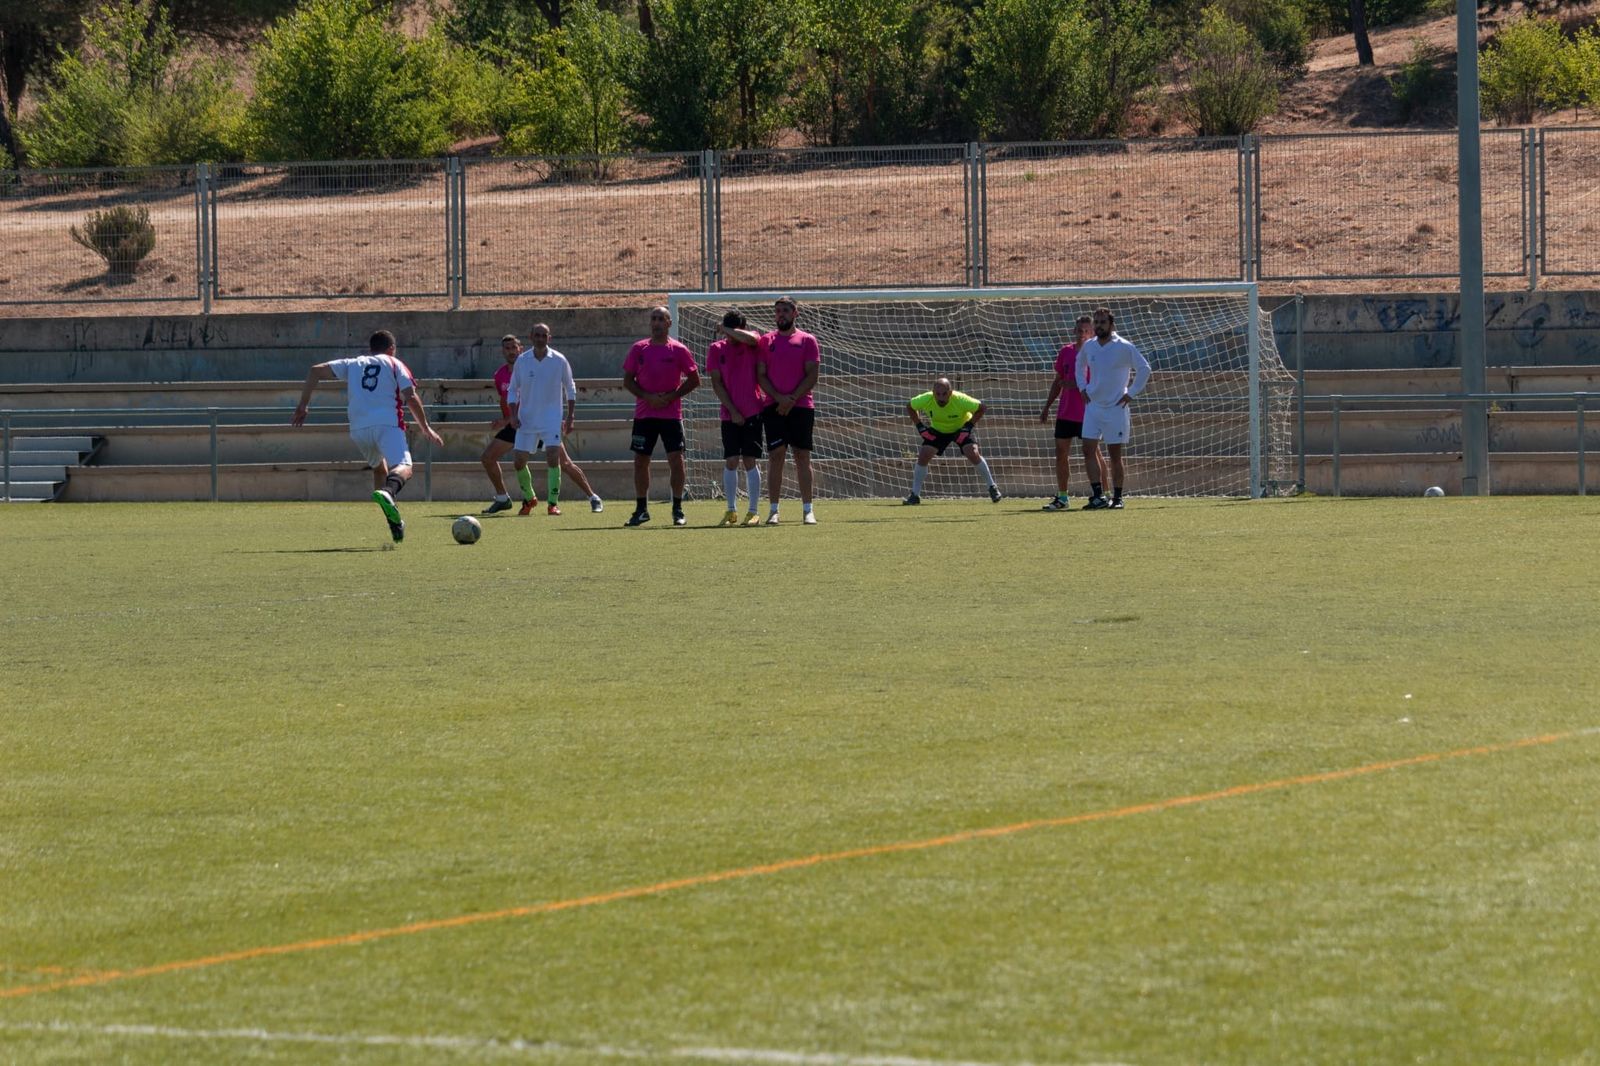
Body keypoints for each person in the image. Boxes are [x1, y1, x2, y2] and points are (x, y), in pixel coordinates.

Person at [291, 329, 443, 543]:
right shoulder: (394, 363)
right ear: (392, 349)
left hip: (359, 429)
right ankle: (389, 492)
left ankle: (394, 522)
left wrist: (303, 406)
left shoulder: (354, 363)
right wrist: (426, 427)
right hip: (387, 423)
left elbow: (315, 371)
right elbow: (410, 396)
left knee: (379, 469)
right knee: (404, 466)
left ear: (371, 348)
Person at [507, 322, 604, 516]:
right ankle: (529, 498)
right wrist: (512, 415)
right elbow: (512, 390)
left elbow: (570, 387)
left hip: (551, 419)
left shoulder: (559, 360)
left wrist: (570, 416)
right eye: (537, 335)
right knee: (518, 461)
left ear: (549, 338)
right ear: (531, 337)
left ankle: (553, 503)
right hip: (526, 419)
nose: (541, 338)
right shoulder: (522, 361)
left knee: (554, 457)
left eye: (544, 335)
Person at [622, 306, 700, 527]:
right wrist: (647, 397)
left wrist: (672, 396)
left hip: (671, 416)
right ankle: (641, 509)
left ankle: (677, 508)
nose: (656, 322)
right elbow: (628, 381)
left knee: (676, 459)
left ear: (669, 323)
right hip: (644, 416)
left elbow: (695, 380)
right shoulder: (639, 349)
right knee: (640, 460)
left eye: (660, 319)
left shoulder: (679, 350)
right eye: (653, 318)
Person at [1075, 307, 1151, 510]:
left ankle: (1117, 498)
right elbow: (1079, 364)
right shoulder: (1089, 346)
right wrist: (1082, 387)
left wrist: (1131, 393)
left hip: (1116, 408)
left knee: (1114, 454)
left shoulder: (1124, 347)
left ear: (1111, 324)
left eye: (1103, 322)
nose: (1099, 326)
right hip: (1093, 407)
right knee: (1087, 449)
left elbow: (1144, 368)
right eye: (1096, 322)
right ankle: (1098, 496)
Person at [755, 296, 821, 525]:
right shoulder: (766, 340)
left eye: (785, 310)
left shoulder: (807, 340)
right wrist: (779, 398)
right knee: (776, 456)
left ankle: (808, 509)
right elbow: (761, 375)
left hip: (801, 406)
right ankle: (774, 510)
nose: (780, 314)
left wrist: (792, 398)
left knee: (802, 456)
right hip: (773, 406)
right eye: (777, 311)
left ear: (795, 313)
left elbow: (812, 374)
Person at [1037, 314, 1110, 511]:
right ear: (1074, 331)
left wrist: (1077, 385)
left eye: (1087, 331)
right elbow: (1058, 380)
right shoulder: (1066, 351)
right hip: (1065, 412)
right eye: (1079, 330)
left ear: (1092, 332)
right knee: (1061, 453)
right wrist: (1047, 406)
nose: (1082, 334)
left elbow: (1101, 382)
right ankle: (1062, 497)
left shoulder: (1097, 353)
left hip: (1088, 412)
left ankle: (1105, 494)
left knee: (1094, 453)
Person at [705, 309, 766, 526]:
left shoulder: (752, 341)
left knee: (750, 460)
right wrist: (732, 410)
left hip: (753, 410)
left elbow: (750, 338)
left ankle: (753, 511)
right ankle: (731, 510)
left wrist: (729, 330)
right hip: (729, 414)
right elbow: (716, 383)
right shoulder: (715, 349)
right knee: (731, 461)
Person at [902, 378, 1002, 505]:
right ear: (933, 393)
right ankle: (915, 495)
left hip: (961, 428)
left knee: (972, 452)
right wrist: (920, 427)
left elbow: (982, 408)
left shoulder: (960, 399)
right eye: (937, 394)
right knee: (924, 455)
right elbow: (909, 406)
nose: (941, 398)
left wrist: (968, 427)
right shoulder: (926, 399)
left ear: (950, 392)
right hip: (938, 429)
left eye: (944, 394)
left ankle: (992, 487)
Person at [480, 333, 534, 514]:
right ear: (502, 351)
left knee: (562, 462)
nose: (511, 351)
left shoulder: (530, 371)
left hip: (534, 422)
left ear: (521, 349)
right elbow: (505, 400)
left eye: (514, 347)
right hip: (514, 425)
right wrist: (506, 420)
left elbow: (532, 399)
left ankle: (592, 497)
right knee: (488, 457)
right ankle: (503, 498)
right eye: (507, 348)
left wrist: (506, 420)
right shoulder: (500, 374)